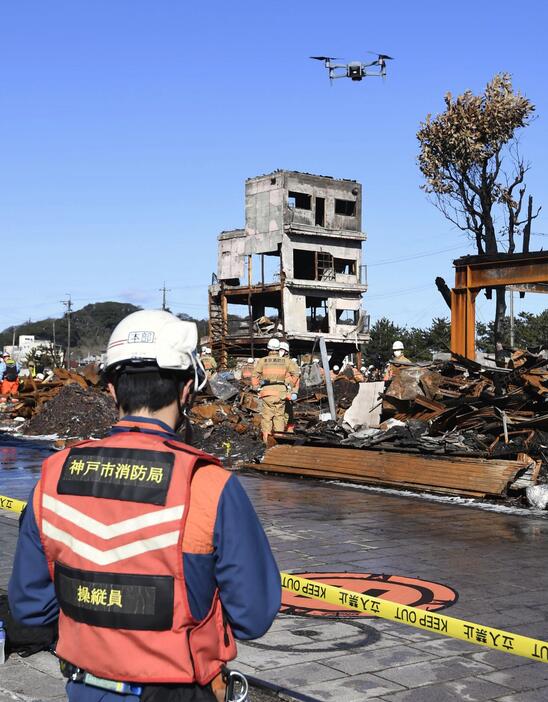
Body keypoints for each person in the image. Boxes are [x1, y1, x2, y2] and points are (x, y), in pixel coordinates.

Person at [8, 309, 281, 702]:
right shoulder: (208, 485)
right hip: (180, 691)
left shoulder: (52, 477)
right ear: (187, 389)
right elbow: (253, 614)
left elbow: (30, 608)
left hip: (85, 689)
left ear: (113, 391)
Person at [252, 338, 299, 443]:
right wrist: (290, 384)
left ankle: (266, 442)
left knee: (267, 418)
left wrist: (256, 387)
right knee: (279, 417)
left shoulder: (262, 361)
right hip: (281, 392)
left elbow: (255, 375)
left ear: (268, 348)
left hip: (267, 392)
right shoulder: (287, 361)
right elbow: (296, 373)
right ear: (279, 349)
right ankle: (279, 442)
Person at [278, 341, 300, 432]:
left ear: (286, 352)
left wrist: (294, 391)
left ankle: (287, 432)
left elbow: (296, 378)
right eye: (279, 350)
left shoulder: (291, 364)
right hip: (276, 392)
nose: (280, 352)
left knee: (287, 413)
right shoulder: (274, 362)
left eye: (281, 350)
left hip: (287, 391)